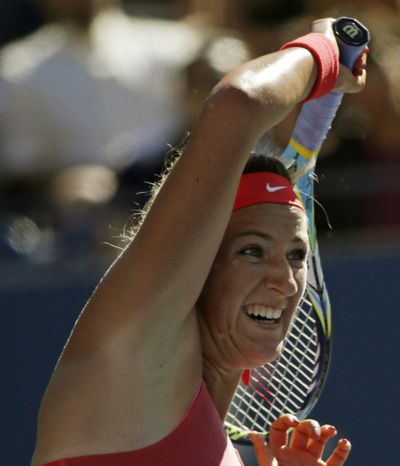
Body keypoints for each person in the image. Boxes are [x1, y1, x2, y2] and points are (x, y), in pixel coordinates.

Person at [31, 17, 367, 466]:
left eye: (296, 255)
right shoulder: (132, 348)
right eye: (251, 250)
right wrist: (321, 52)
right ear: (197, 263)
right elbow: (237, 105)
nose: (286, 281)